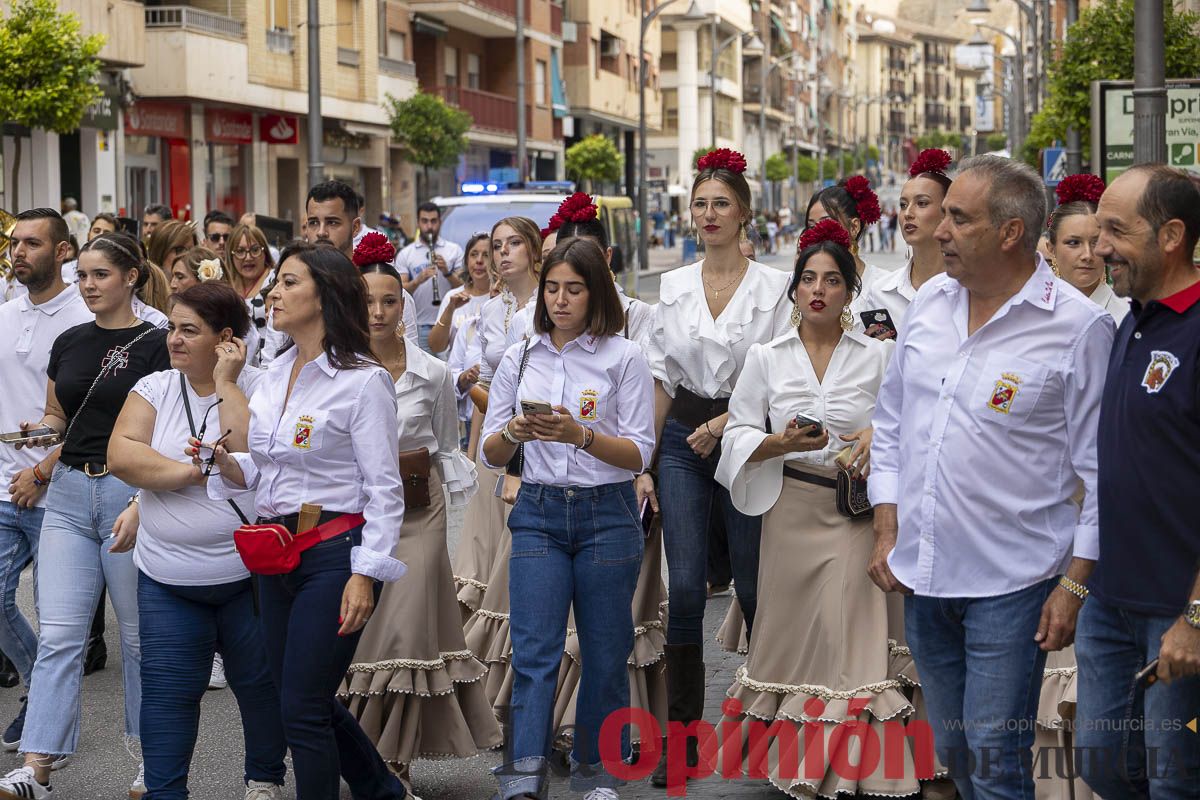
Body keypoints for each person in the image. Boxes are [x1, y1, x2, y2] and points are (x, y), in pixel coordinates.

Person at [867, 155, 1115, 800]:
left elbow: (1102, 471)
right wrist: (886, 526)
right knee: (956, 754)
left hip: (1014, 582)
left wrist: (1075, 584)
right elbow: (890, 423)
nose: (939, 230)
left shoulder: (1078, 327)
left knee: (995, 759)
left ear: (1010, 232)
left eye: (958, 217)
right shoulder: (930, 303)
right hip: (924, 577)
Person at [714, 218, 919, 797]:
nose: (818, 290)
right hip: (790, 508)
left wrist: (876, 434)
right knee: (794, 638)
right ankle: (796, 761)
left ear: (850, 292)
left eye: (832, 280)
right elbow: (738, 433)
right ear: (795, 289)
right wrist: (776, 444)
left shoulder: (879, 356)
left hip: (856, 512)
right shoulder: (766, 356)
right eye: (808, 279)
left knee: (847, 633)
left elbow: (909, 419)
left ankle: (852, 768)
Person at [204, 242, 409, 800]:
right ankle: (382, 791)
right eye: (277, 283)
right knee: (301, 698)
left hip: (334, 553)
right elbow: (266, 468)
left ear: (325, 295)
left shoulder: (363, 381)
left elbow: (384, 489)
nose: (274, 293)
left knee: (301, 709)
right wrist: (227, 464)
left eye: (289, 282)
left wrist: (365, 574)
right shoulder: (272, 374)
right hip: (275, 553)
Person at [480, 237, 655, 800]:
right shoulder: (520, 356)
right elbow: (489, 451)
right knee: (535, 652)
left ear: (595, 292)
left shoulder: (623, 356)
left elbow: (639, 453)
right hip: (538, 511)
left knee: (605, 653)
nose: (559, 300)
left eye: (573, 289)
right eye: (552, 288)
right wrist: (515, 431)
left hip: (608, 513)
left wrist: (580, 435)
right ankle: (523, 779)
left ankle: (595, 773)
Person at [0, 231, 171, 799]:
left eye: (101, 275)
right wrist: (41, 432)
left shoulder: (157, 342)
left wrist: (144, 501)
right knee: (59, 636)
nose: (89, 286)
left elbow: (169, 428)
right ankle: (38, 768)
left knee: (140, 639)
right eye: (83, 276)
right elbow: (59, 414)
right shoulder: (70, 340)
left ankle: (152, 761)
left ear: (131, 277)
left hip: (128, 491)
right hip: (70, 493)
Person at [640, 148, 791, 787]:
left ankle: (774, 728)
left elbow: (780, 378)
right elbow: (660, 379)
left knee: (754, 587)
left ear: (744, 212)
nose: (708, 214)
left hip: (747, 437)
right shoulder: (673, 287)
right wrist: (645, 460)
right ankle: (679, 743)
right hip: (682, 441)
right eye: (700, 204)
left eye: (721, 203)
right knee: (684, 588)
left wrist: (725, 425)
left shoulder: (775, 287)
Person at [106, 283, 287, 800]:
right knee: (167, 695)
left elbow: (251, 452)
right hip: (168, 577)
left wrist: (227, 382)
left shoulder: (263, 385)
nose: (174, 339)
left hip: (247, 576)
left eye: (189, 330)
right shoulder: (155, 387)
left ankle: (264, 781)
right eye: (172, 328)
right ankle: (166, 794)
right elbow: (122, 455)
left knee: (259, 687)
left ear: (226, 339)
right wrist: (194, 472)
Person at [341, 237, 500, 793]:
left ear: (404, 306)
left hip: (418, 505)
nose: (378, 312)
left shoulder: (433, 373)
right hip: (358, 511)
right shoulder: (338, 369)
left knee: (406, 628)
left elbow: (445, 445)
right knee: (364, 632)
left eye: (389, 301)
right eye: (367, 301)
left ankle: (395, 762)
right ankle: (361, 752)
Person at [1075, 164, 1200, 798]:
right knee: (1102, 764)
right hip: (1111, 602)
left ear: (1171, 235)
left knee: (1176, 780)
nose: (1099, 248)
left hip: (1178, 612)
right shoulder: (1132, 319)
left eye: (1116, 231)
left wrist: (1196, 616)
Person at [0, 209, 95, 751]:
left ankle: (46, 719)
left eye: (32, 243)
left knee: (61, 624)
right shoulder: (5, 314)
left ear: (63, 252)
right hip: (2, 487)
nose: (18, 252)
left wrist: (44, 470)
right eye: (15, 243)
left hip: (61, 491)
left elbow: (92, 411)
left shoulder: (84, 317)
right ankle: (41, 690)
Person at [459, 217, 544, 713]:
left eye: (514, 243)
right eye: (497, 245)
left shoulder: (550, 303)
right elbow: (485, 385)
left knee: (521, 566)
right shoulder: (489, 311)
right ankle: (493, 686)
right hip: (499, 442)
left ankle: (525, 684)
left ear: (533, 249)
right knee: (488, 566)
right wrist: (481, 445)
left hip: (540, 444)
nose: (504, 252)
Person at [303, 180, 417, 342]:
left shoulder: (387, 290)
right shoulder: (291, 288)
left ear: (355, 227)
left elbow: (409, 354)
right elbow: (272, 354)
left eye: (332, 222)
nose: (321, 232)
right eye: (313, 222)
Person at [858, 149, 954, 339]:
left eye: (922, 203)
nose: (908, 213)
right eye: (903, 205)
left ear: (947, 212)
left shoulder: (970, 291)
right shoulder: (881, 293)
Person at [1047, 174, 1129, 323]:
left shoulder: (1130, 316)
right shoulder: (1031, 315)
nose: (1087, 255)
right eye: (1073, 243)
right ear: (1051, 249)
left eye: (1096, 242)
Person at [806, 176, 886, 311]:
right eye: (812, 227)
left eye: (826, 223)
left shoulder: (883, 287)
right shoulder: (801, 286)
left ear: (854, 227)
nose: (817, 233)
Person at [393, 202, 465, 353]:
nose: (429, 226)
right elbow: (399, 290)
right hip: (420, 325)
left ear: (440, 222)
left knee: (448, 367)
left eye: (433, 221)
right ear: (418, 223)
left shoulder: (454, 250)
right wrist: (418, 280)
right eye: (425, 221)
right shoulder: (406, 254)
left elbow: (464, 287)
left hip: (449, 323)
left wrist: (447, 272)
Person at [225, 224, 278, 367]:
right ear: (231, 255)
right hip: (236, 366)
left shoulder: (275, 280)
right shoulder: (226, 285)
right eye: (240, 251)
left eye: (255, 250)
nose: (248, 257)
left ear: (265, 252)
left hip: (270, 363)